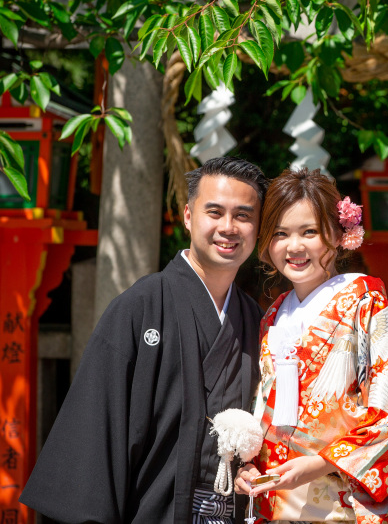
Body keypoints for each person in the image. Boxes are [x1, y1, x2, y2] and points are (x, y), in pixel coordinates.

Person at [20, 157, 268, 524]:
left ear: (258, 227)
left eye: (243, 216)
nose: (228, 227)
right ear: (188, 216)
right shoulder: (141, 307)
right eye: (214, 212)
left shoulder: (256, 320)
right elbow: (96, 429)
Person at [234, 168, 388, 523]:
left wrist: (321, 462)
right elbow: (264, 410)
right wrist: (250, 464)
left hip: (343, 502)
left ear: (339, 234)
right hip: (279, 498)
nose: (294, 246)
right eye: (280, 234)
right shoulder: (272, 318)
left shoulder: (366, 307)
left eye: (309, 232)